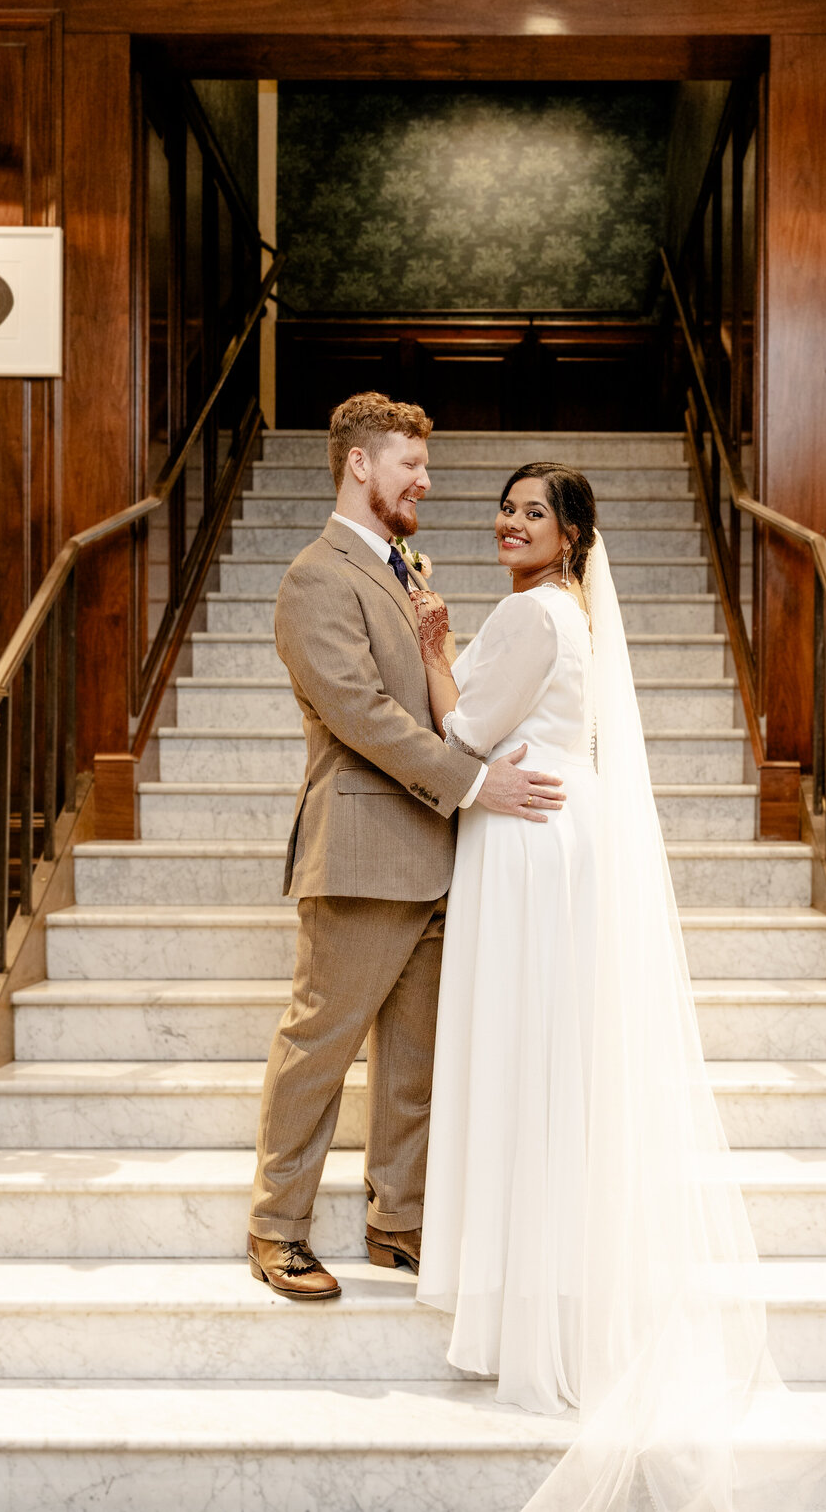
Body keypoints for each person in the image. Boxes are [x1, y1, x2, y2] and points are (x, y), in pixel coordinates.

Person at [413, 463, 826, 1512]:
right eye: (506, 508)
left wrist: (432, 652)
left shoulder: (527, 617)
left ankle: (528, 1304)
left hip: (525, 836)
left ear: (569, 537)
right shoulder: (571, 615)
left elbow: (462, 733)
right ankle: (553, 1278)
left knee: (522, 1048)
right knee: (557, 1054)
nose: (511, 524)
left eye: (533, 514)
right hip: (565, 823)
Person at [246, 394, 568, 1303]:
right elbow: (359, 712)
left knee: (416, 1061)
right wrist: (473, 783)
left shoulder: (403, 568)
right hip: (359, 848)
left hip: (436, 852)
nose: (426, 480)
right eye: (410, 466)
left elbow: (441, 702)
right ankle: (277, 1227)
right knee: (320, 1044)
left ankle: (397, 1218)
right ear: (359, 465)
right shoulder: (317, 574)